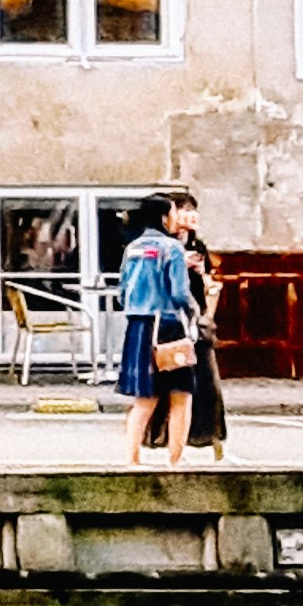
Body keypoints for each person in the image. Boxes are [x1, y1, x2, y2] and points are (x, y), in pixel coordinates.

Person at [117, 188, 204, 461]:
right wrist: (194, 310)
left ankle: (132, 460)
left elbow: (122, 292)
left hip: (138, 327)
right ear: (165, 216)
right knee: (181, 395)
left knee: (144, 399)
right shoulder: (172, 248)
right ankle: (174, 462)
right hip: (168, 327)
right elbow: (179, 293)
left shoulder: (133, 249)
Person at [177, 205, 228, 455]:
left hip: (199, 320)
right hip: (175, 321)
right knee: (174, 387)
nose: (191, 221)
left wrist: (204, 276)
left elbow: (208, 278)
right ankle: (168, 440)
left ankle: (211, 436)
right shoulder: (165, 246)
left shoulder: (198, 246)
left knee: (206, 383)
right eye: (186, 215)